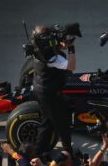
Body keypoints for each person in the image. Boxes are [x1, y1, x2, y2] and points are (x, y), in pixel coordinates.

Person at [32, 25, 77, 157]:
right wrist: (71, 48)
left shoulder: (37, 47)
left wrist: (59, 43)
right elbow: (72, 66)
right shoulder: (53, 59)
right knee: (62, 123)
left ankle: (39, 152)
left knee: (48, 121)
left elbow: (52, 45)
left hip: (40, 88)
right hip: (49, 94)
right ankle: (68, 154)